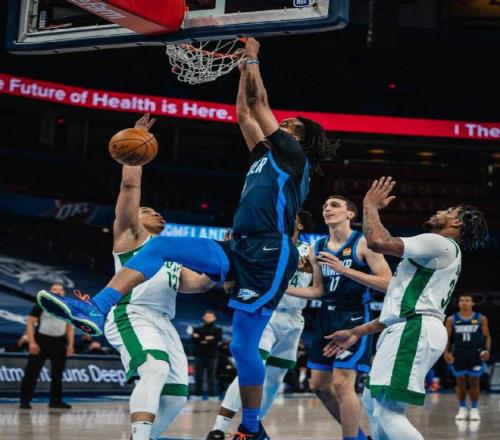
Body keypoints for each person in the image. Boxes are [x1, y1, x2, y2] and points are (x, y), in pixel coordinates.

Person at [37, 38, 335, 440]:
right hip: (239, 245)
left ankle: (250, 427)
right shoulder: (263, 156)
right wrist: (240, 70)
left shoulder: (294, 159)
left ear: (299, 139)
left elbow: (259, 103)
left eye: (288, 126)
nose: (280, 126)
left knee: (244, 348)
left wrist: (252, 59)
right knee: (161, 246)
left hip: (270, 252)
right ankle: (98, 307)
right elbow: (244, 111)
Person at [323, 177, 489, 440]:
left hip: (414, 329)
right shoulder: (435, 257)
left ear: (457, 222)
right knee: (372, 402)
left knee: (388, 411)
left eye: (448, 211)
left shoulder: (440, 243)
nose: (439, 211)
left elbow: (378, 241)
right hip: (409, 327)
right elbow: (395, 314)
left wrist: (370, 206)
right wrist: (356, 332)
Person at [95, 114, 215, 440]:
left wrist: (221, 267)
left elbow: (198, 284)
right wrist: (135, 144)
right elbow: (130, 186)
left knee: (176, 396)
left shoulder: (170, 255)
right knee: (154, 367)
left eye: (156, 211)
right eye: (147, 210)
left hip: (164, 322)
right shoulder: (130, 235)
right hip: (131, 313)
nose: (155, 212)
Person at [287, 196, 392, 440]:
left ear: (350, 214)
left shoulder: (363, 243)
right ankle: (359, 437)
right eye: (324, 206)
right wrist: (282, 289)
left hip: (355, 315)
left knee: (343, 383)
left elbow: (388, 283)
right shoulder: (318, 246)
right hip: (326, 316)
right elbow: (318, 291)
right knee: (318, 386)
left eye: (334, 205)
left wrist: (344, 269)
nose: (327, 209)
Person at [206, 210, 315, 439]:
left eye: (292, 217)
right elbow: (234, 282)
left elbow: (322, 287)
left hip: (295, 318)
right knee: (251, 366)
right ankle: (219, 428)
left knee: (276, 377)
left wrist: (315, 270)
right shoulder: (266, 245)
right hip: (267, 313)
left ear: (301, 225)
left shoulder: (312, 252)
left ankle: (253, 429)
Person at [20, 283, 74, 409]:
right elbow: (30, 323)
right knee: (32, 372)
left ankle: (55, 401)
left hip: (60, 342)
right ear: (50, 292)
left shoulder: (68, 307)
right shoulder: (41, 304)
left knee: (58, 374)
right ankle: (25, 400)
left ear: (64, 292)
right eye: (55, 289)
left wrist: (70, 344)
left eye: (60, 289)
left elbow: (69, 327)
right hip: (42, 340)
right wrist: (32, 342)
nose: (58, 291)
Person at [444, 293, 491, 421]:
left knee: (474, 381)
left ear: (472, 303)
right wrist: (446, 352)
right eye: (462, 300)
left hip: (475, 353)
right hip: (459, 354)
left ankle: (474, 409)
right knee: (460, 382)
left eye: (467, 300)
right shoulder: (451, 319)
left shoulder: (481, 318)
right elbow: (447, 338)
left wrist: (486, 350)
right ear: (459, 303)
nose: (464, 302)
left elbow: (487, 336)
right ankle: (462, 408)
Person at [192, 310, 223, 397]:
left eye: (210, 317)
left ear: (214, 318)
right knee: (198, 375)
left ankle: (213, 394)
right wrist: (208, 338)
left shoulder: (218, 330)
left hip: (212, 355)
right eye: (207, 316)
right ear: (203, 317)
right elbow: (193, 339)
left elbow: (218, 339)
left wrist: (200, 338)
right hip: (199, 355)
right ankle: (197, 394)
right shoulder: (197, 329)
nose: (208, 318)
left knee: (211, 375)